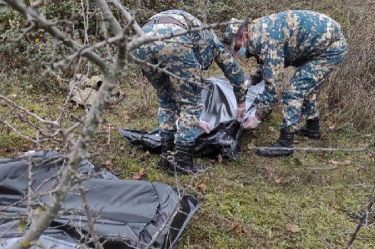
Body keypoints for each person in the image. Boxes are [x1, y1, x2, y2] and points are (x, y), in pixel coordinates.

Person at [132, 10, 248, 174]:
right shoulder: (214, 42)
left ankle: (167, 156)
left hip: (141, 39)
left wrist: (194, 120)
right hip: (173, 39)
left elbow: (176, 92)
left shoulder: (200, 33)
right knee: (192, 104)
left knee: (166, 101)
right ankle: (182, 162)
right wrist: (241, 102)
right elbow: (235, 72)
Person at [223, 10, 347, 157]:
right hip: (318, 45)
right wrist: (250, 81)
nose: (237, 52)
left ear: (244, 36)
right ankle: (312, 128)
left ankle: (285, 143)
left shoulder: (267, 39)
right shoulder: (258, 32)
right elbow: (269, 66)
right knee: (307, 87)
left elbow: (273, 86)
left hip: (331, 48)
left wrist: (257, 117)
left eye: (237, 47)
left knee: (294, 92)